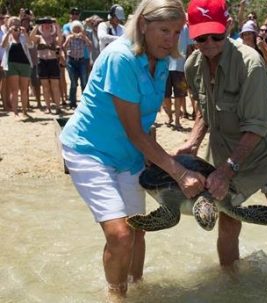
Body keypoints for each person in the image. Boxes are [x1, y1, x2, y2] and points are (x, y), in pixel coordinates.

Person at [59, 0, 205, 299]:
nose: (171, 38)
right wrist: (178, 172)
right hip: (90, 150)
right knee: (120, 234)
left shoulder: (162, 62)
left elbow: (145, 122)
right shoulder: (120, 58)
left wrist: (155, 159)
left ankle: (137, 290)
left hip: (129, 153)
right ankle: (116, 295)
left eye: (177, 31)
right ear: (142, 25)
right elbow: (134, 131)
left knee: (138, 228)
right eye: (164, 30)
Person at [180, 0, 267, 281]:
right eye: (200, 37)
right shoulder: (192, 66)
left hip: (263, 150)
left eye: (216, 36)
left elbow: (257, 127)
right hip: (224, 150)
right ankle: (230, 283)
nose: (208, 43)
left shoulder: (250, 63)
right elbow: (205, 112)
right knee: (229, 222)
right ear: (190, 31)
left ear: (228, 26)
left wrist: (227, 170)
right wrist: (193, 143)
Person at [1, 16, 33, 116]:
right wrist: (8, 33)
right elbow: (3, 45)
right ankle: (15, 112)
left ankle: (24, 110)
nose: (15, 25)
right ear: (9, 25)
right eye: (12, 23)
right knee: (14, 90)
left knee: (24, 89)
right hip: (11, 64)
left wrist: (25, 34)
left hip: (25, 64)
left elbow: (30, 45)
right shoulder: (7, 35)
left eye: (17, 24)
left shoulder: (23, 36)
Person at [30, 17, 62, 114]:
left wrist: (56, 25)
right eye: (45, 24)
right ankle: (48, 107)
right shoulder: (39, 38)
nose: (47, 25)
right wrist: (38, 24)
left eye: (48, 24)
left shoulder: (54, 37)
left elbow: (60, 40)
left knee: (55, 86)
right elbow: (31, 37)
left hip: (53, 61)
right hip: (42, 62)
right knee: (45, 86)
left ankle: (57, 107)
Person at [63, 20, 92, 109]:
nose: (77, 31)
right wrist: (68, 39)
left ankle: (85, 102)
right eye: (75, 29)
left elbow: (90, 45)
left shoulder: (83, 37)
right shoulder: (70, 37)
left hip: (82, 61)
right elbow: (64, 46)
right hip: (71, 61)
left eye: (78, 29)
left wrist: (84, 37)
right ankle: (72, 102)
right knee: (73, 83)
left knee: (84, 82)